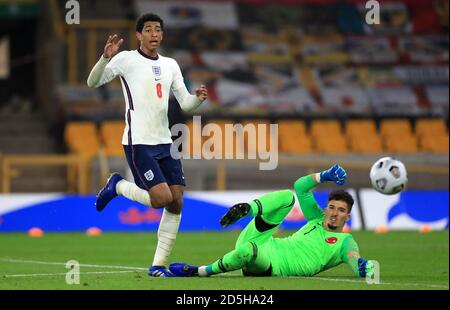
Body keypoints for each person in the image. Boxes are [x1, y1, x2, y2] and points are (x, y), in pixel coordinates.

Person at [86, 13, 208, 277]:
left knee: (176, 202)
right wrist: (105, 57)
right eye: (149, 29)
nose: (154, 33)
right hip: (138, 142)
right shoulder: (126, 59)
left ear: (162, 35)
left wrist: (197, 99)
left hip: (165, 141)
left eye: (158, 30)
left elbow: (185, 103)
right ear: (139, 35)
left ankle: (157, 265)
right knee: (161, 198)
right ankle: (117, 185)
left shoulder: (171, 65)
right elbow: (92, 82)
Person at [169, 164, 375, 278]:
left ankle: (200, 271)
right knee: (288, 196)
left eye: (341, 210)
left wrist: (365, 267)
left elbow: (355, 263)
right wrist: (325, 175)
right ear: (326, 208)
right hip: (265, 241)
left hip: (272, 265)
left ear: (347, 216)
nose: (334, 213)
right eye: (331, 207)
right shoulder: (316, 218)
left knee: (247, 250)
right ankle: (247, 209)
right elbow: (300, 186)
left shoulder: (344, 242)